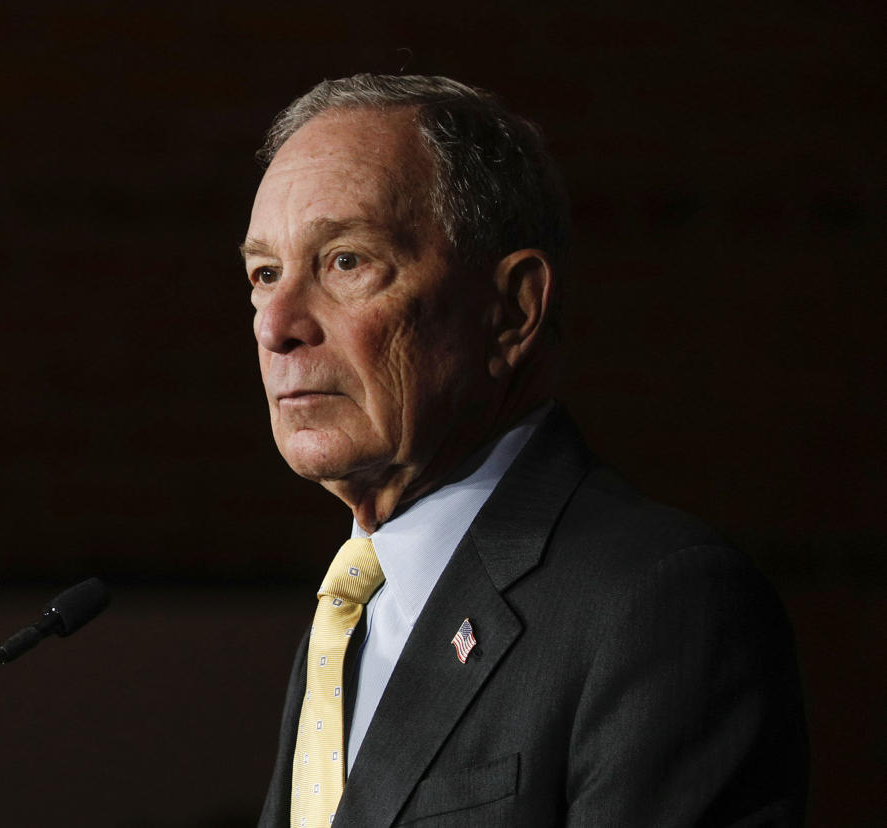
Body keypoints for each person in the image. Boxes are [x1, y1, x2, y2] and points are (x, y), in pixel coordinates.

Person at [242, 74, 808, 827]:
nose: (276, 325)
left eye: (346, 261)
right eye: (264, 273)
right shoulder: (352, 608)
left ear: (511, 311)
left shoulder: (661, 607)